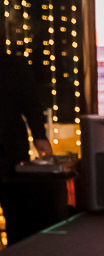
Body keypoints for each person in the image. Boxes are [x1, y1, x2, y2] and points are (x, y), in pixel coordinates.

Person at [0, 51, 52, 245]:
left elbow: (30, 102)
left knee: (16, 213)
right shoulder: (15, 63)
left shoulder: (14, 63)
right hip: (10, 146)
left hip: (9, 150)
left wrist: (39, 135)